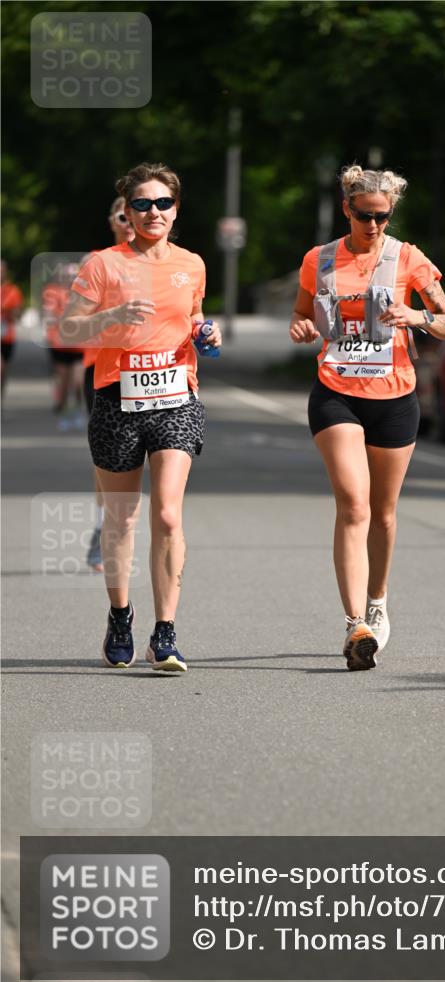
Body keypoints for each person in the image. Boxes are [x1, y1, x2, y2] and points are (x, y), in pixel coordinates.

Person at [289, 164, 445, 670]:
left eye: (383, 217)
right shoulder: (318, 260)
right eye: (365, 216)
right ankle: (354, 625)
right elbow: (301, 314)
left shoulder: (408, 258)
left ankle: (377, 602)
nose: (374, 227)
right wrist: (301, 329)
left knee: (383, 513)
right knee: (353, 504)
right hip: (336, 392)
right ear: (347, 209)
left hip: (395, 395)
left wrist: (418, 317)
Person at [61, 162, 221, 673]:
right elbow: (67, 325)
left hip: (177, 397)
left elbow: (193, 317)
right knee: (122, 516)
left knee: (169, 514)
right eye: (143, 205)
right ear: (127, 212)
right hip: (117, 401)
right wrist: (111, 317)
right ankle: (120, 615)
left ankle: (166, 633)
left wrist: (206, 333)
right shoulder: (104, 264)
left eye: (163, 203)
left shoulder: (192, 264)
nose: (154, 213)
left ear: (177, 208)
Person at [83, 199, 136, 573]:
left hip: (149, 370)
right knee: (108, 458)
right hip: (103, 369)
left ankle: (125, 528)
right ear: (112, 220)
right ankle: (104, 526)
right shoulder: (97, 261)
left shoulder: (164, 259)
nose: (129, 220)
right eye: (122, 213)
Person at [43, 262, 85, 430]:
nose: (71, 279)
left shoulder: (84, 293)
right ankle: (64, 411)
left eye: (74, 275)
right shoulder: (53, 292)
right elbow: (49, 316)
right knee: (64, 381)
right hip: (60, 344)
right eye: (68, 276)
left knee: (78, 381)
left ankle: (79, 409)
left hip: (81, 346)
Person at [1, 260, 24, 401]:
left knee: (3, 373)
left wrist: (9, 311)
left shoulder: (13, 291)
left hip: (6, 337)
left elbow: (18, 315)